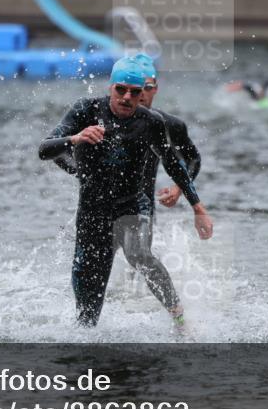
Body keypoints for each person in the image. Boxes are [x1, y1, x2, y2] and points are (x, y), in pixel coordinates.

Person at [39, 55, 213, 327]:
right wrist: (76, 141)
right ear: (110, 87)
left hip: (134, 205)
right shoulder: (86, 110)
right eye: (121, 89)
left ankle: (178, 317)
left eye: (136, 91)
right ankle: (86, 338)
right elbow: (45, 150)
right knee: (88, 302)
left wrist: (196, 206)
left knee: (138, 254)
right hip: (93, 211)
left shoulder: (154, 122)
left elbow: (175, 163)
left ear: (147, 91)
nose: (128, 97)